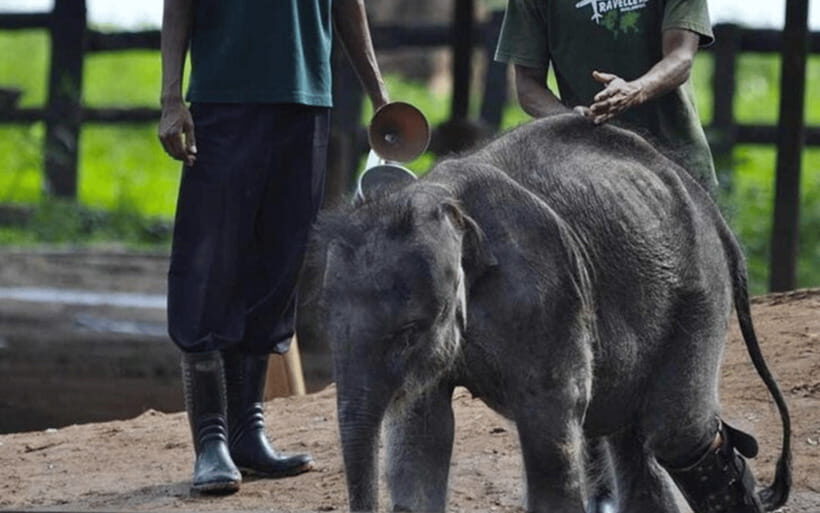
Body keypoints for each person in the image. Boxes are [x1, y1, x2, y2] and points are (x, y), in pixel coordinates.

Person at [158, 0, 389, 494]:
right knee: (209, 263)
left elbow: (349, 5)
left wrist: (379, 94)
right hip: (224, 100)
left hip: (306, 103)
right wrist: (171, 98)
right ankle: (211, 442)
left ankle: (247, 434)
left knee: (279, 264)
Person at [494, 0, 718, 191]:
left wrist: (635, 90)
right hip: (589, 175)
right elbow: (527, 82)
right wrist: (568, 120)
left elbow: (681, 56)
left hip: (678, 165)